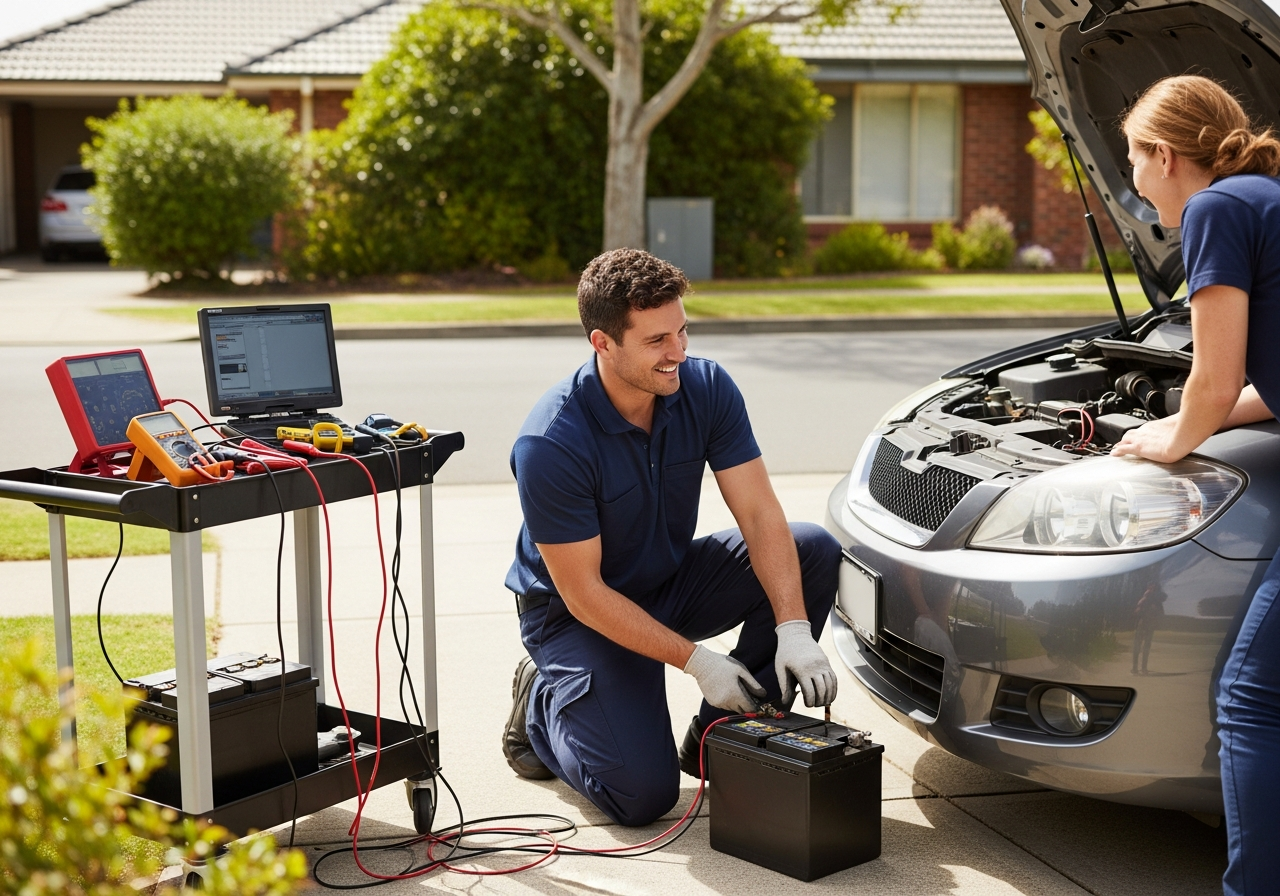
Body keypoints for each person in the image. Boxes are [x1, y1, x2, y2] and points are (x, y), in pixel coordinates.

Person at [500, 248, 841, 827]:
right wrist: (698, 661)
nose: (678, 352)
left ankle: (721, 735)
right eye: (657, 340)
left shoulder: (704, 387)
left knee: (812, 548)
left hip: (668, 580)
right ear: (603, 343)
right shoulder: (551, 442)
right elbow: (583, 593)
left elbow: (760, 514)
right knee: (641, 796)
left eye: (682, 331)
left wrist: (793, 628)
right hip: (577, 617)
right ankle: (541, 702)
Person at [1111, 74, 1280, 895]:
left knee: (1252, 696)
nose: (1134, 183)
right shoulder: (1265, 198)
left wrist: (1170, 439)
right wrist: (1181, 421)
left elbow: (1213, 383)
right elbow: (1262, 386)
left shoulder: (1217, 209)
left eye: (1132, 161)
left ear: (1165, 155)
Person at [1130, 583, 1166, 675]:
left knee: (1144, 646)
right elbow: (1137, 609)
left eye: (1153, 588)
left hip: (1147, 625)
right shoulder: (1147, 598)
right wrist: (1145, 598)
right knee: (1139, 646)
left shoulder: (1156, 599)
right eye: (1150, 587)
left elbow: (1161, 610)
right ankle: (1137, 668)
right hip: (1144, 624)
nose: (1151, 589)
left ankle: (1142, 668)